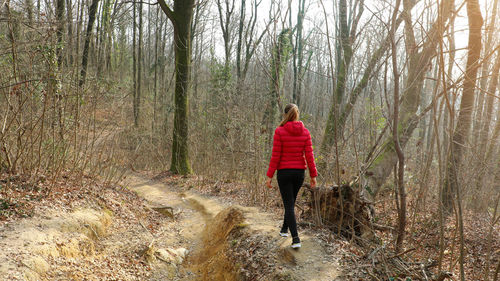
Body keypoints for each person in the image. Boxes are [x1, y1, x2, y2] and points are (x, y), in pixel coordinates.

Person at [266, 103, 317, 249]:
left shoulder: (279, 131)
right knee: (291, 202)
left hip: (284, 173)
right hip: (299, 173)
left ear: (285, 115)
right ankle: (284, 229)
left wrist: (269, 175)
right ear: (297, 114)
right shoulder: (305, 132)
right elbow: (309, 156)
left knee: (289, 204)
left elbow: (275, 156)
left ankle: (295, 238)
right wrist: (313, 175)